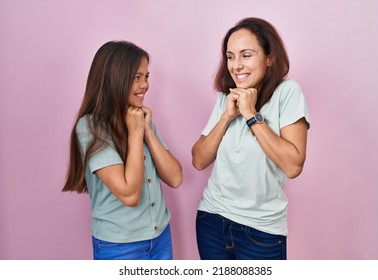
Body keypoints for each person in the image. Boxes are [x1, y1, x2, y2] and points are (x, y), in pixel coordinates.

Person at [192, 17, 310, 260]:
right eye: (230, 56)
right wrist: (227, 116)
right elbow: (199, 160)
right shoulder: (227, 98)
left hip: (261, 229)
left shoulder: (287, 93)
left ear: (270, 58)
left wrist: (250, 114)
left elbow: (293, 165)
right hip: (212, 220)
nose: (236, 65)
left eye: (246, 55)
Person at [62, 41, 183, 260]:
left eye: (146, 76)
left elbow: (175, 178)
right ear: (114, 79)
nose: (144, 85)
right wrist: (136, 133)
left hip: (160, 238)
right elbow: (129, 194)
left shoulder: (140, 118)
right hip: (120, 247)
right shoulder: (91, 126)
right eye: (136, 77)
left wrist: (147, 131)